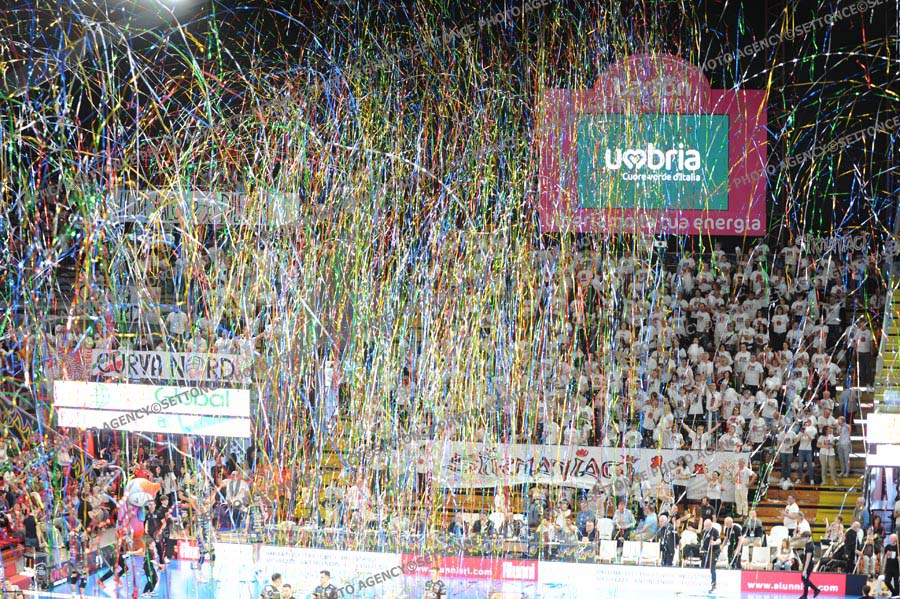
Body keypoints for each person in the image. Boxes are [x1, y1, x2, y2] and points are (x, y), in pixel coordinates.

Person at [701, 519, 721, 593]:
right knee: (704, 565)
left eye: (706, 526)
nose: (705, 527)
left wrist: (714, 542)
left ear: (710, 525)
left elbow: (719, 540)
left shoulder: (714, 531)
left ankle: (714, 583)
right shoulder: (704, 531)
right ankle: (706, 583)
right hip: (707, 551)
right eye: (704, 526)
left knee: (712, 565)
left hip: (714, 551)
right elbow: (703, 540)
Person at [882, 533, 898, 597]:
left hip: (897, 568)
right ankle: (894, 592)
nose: (889, 539)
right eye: (889, 538)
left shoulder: (898, 547)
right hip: (889, 568)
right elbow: (885, 558)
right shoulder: (887, 547)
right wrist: (884, 567)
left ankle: (896, 595)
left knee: (896, 583)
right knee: (887, 581)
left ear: (895, 540)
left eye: (891, 539)